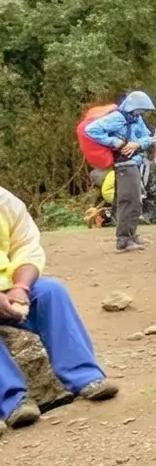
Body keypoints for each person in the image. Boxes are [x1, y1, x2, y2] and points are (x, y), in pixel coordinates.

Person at [0, 186, 119, 436]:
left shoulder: (5, 202)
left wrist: (20, 287)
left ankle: (85, 377)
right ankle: (12, 401)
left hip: (9, 286)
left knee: (51, 291)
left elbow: (27, 248)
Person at [85, 91, 156, 253]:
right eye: (140, 109)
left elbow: (148, 137)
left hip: (134, 162)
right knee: (127, 200)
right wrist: (114, 142)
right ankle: (123, 239)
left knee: (136, 201)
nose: (142, 113)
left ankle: (131, 234)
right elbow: (92, 130)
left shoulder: (136, 119)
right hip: (123, 164)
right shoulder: (117, 118)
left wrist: (136, 144)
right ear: (133, 106)